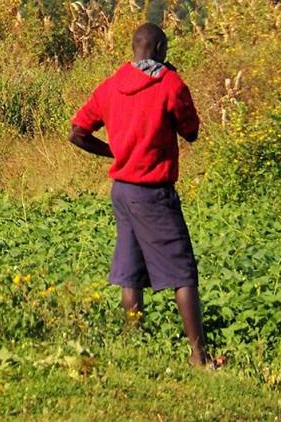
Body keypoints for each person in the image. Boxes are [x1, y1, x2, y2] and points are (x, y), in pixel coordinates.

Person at [68, 22, 212, 367]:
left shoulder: (111, 86)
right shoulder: (169, 84)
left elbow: (76, 133)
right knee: (182, 271)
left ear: (134, 48)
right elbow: (190, 132)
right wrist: (175, 81)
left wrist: (114, 152)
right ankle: (198, 356)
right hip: (154, 192)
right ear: (161, 49)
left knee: (131, 272)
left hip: (122, 191)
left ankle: (135, 346)